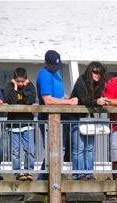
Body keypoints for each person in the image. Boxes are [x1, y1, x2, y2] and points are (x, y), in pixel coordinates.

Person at [35, 50, 79, 180]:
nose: (55, 69)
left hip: (60, 118)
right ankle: (44, 181)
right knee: (53, 151)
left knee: (59, 150)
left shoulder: (55, 72)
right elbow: (48, 100)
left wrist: (71, 97)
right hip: (49, 119)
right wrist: (69, 102)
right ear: (45, 63)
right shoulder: (45, 75)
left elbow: (59, 95)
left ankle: (49, 180)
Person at [68, 61, 110, 180]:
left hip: (89, 117)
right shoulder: (81, 80)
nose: (98, 75)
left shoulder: (100, 84)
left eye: (100, 73)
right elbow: (84, 99)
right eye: (95, 72)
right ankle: (78, 174)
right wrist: (96, 101)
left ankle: (89, 173)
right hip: (76, 117)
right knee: (79, 147)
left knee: (90, 147)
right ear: (89, 71)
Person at [3, 67, 37, 181]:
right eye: (18, 82)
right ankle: (18, 172)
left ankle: (29, 171)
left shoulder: (30, 86)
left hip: (27, 123)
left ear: (26, 80)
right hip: (13, 125)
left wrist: (26, 88)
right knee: (15, 152)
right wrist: (16, 88)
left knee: (30, 150)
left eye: (22, 81)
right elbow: (11, 100)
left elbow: (29, 100)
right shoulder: (9, 86)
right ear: (14, 80)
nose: (21, 83)